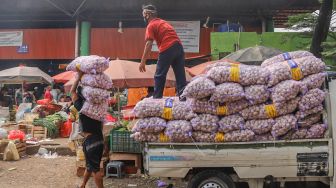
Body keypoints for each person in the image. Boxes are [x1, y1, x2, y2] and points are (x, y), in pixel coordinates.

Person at [139, 4, 187, 101]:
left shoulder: (151, 25)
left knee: (159, 74)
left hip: (167, 47)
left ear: (147, 15)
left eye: (143, 14)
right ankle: (183, 98)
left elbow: (149, 44)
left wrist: (143, 61)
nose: (143, 17)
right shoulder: (163, 22)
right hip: (179, 47)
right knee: (180, 75)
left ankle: (157, 97)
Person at [70, 72, 104, 188]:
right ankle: (83, 185)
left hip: (91, 141)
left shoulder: (83, 108)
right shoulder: (98, 107)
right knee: (90, 166)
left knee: (95, 169)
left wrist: (78, 77)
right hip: (98, 139)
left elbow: (72, 92)